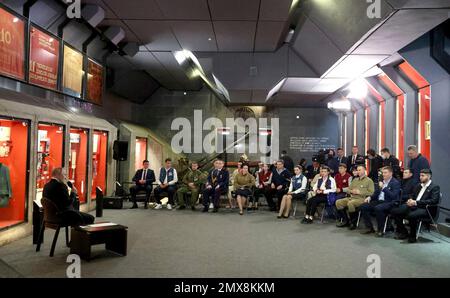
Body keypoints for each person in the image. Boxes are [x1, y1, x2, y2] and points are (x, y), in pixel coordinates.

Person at [391, 169, 440, 243]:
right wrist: (410, 200)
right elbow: (412, 195)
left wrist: (416, 202)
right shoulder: (418, 186)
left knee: (411, 215)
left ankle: (412, 236)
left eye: (422, 176)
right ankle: (404, 232)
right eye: (420, 175)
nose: (420, 177)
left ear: (429, 176)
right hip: (414, 206)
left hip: (426, 209)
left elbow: (434, 201)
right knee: (396, 211)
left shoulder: (434, 187)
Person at [359, 166, 401, 237]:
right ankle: (369, 227)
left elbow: (393, 196)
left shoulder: (395, 182)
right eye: (383, 173)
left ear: (391, 173)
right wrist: (370, 197)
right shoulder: (381, 182)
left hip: (389, 202)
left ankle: (380, 230)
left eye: (385, 173)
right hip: (380, 201)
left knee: (378, 208)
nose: (383, 174)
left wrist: (384, 188)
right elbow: (376, 193)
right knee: (363, 206)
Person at [336, 165, 375, 230]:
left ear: (364, 170)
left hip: (362, 199)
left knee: (350, 203)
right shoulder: (355, 180)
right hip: (352, 197)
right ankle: (346, 220)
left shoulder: (369, 180)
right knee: (338, 202)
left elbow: (371, 193)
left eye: (360, 170)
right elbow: (348, 189)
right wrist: (351, 191)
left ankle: (353, 223)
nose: (358, 171)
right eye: (357, 170)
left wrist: (360, 192)